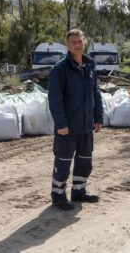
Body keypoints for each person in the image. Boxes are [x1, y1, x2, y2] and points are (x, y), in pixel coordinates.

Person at [48, 28, 103, 210]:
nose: (77, 45)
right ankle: (58, 196)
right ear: (68, 45)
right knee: (63, 162)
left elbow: (96, 94)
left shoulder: (90, 66)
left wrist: (98, 117)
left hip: (86, 125)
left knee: (85, 161)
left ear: (84, 42)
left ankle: (79, 191)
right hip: (68, 127)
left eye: (80, 42)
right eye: (73, 42)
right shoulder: (60, 69)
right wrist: (61, 124)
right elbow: (55, 99)